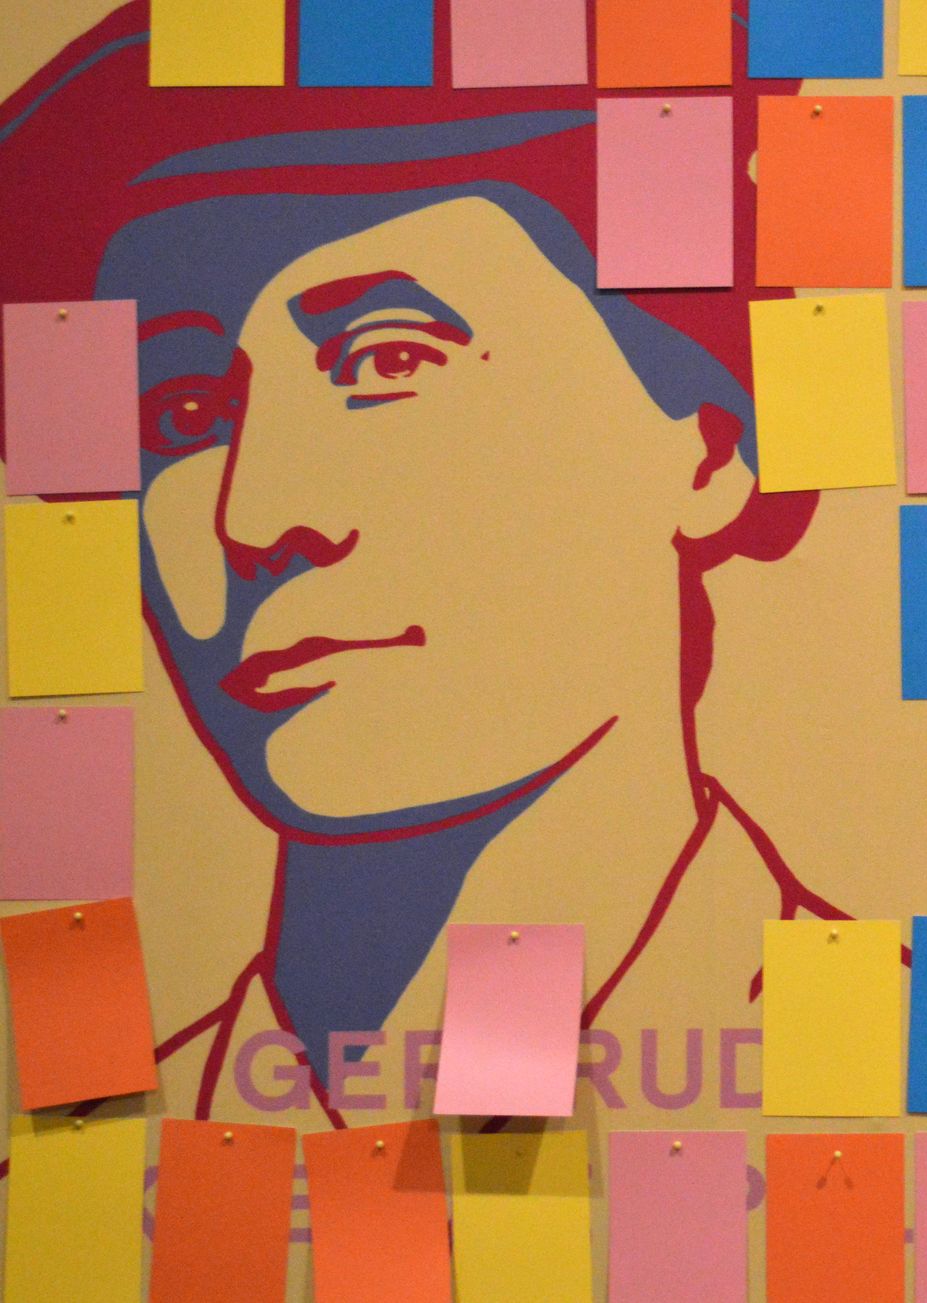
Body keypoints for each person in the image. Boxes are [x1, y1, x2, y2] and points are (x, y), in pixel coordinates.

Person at [0, 4, 842, 1132]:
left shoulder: (899, 1083)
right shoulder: (82, 1175)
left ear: (705, 451)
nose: (255, 517)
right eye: (185, 413)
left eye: (388, 358)